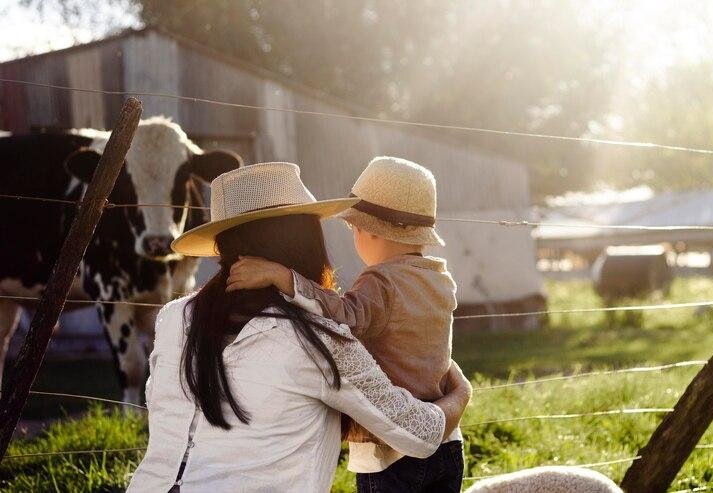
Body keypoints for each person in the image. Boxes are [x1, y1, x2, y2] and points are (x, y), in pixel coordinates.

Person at [127, 162, 471, 493]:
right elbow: (419, 434)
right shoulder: (316, 341)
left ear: (224, 244)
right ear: (305, 241)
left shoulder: (174, 318)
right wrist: (460, 394)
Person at [227, 157, 464, 492]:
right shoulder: (441, 279)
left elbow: (345, 318)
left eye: (353, 228)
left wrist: (284, 277)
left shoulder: (380, 280)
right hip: (448, 441)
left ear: (366, 231)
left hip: (392, 451)